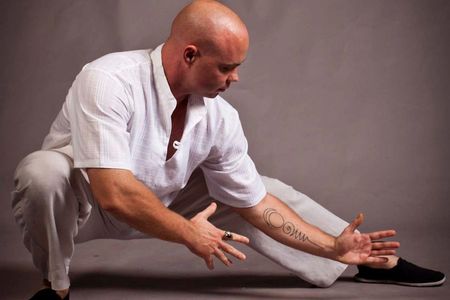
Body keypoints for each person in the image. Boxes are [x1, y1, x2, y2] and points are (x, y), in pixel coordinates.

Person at [12, 1, 445, 299]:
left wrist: (333, 246)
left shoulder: (220, 117)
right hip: (83, 206)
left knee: (260, 187)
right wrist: (188, 232)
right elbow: (114, 193)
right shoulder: (109, 79)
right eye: (226, 67)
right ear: (189, 55)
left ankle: (355, 260)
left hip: (161, 201)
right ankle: (57, 286)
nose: (235, 78)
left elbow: (254, 204)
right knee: (42, 170)